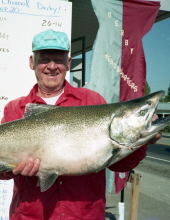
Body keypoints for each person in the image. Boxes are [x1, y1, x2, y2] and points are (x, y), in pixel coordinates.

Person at [0, 29, 161, 220]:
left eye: (59, 59)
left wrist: (142, 141)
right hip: (30, 215)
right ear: (32, 62)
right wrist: (12, 169)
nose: (52, 66)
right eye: (44, 59)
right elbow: (3, 174)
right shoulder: (14, 108)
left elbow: (120, 165)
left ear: (68, 64)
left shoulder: (92, 101)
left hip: (85, 215)